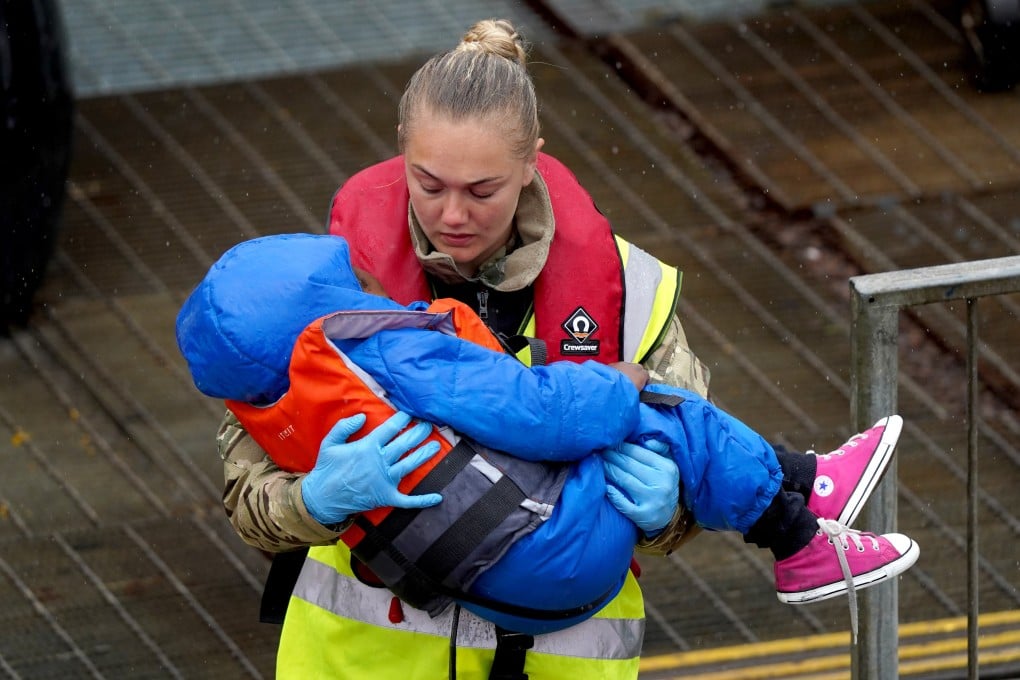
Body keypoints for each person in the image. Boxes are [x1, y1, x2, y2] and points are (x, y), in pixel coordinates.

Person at [211, 19, 914, 680]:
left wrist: (668, 513)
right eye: (428, 185)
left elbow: (706, 481)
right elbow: (248, 501)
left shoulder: (631, 293)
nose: (452, 215)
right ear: (402, 151)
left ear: (530, 165)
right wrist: (317, 500)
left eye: (481, 190)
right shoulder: (315, 297)